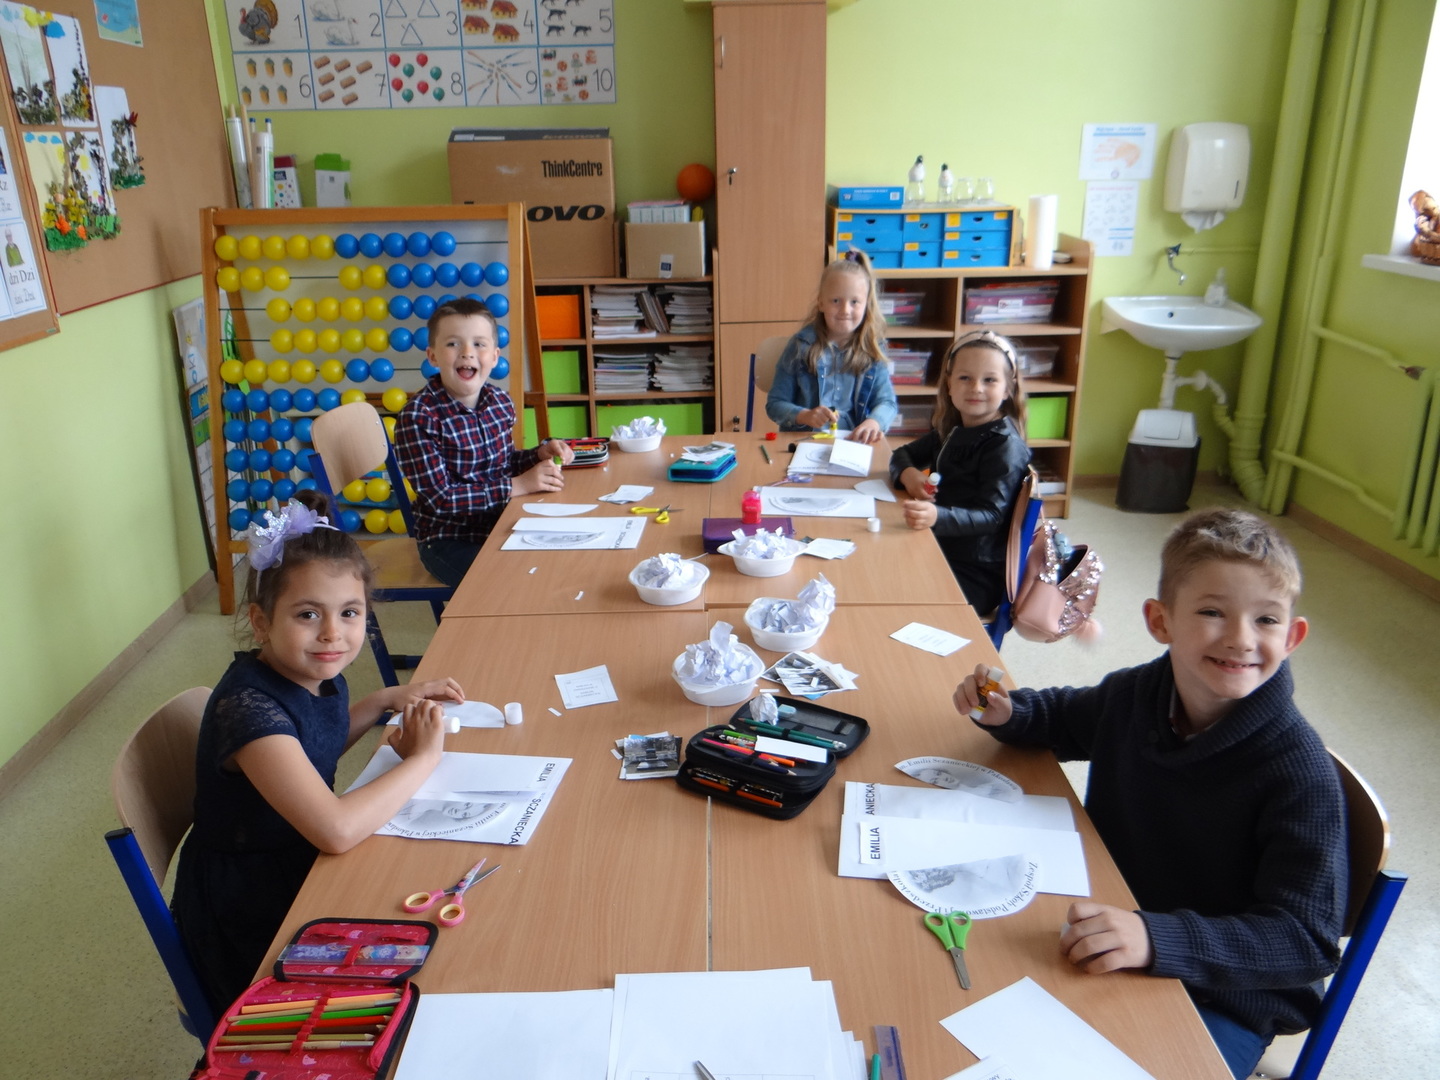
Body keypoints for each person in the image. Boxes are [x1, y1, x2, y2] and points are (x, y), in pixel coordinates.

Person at [953, 508, 1346, 1079]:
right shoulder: (1140, 693)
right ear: (1160, 622)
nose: (1241, 638)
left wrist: (1156, 938)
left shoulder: (1299, 774)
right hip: (1112, 923)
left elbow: (1304, 941)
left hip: (1223, 995)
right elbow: (1069, 717)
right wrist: (1012, 713)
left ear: (1292, 637)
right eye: (1212, 612)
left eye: (1266, 619)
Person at [171, 491, 467, 1014]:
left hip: (296, 855)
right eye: (308, 614)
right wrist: (425, 759)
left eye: (349, 612)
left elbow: (313, 742)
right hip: (255, 906)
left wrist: (383, 700)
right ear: (261, 622)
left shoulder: (309, 674)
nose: (332, 634)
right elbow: (336, 830)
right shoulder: (250, 713)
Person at [394, 297, 574, 587]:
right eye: (453, 343)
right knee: (514, 585)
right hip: (449, 540)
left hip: (501, 522)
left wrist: (539, 455)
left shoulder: (499, 402)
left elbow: (503, 464)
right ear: (433, 356)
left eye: (479, 344)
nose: (467, 352)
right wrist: (519, 485)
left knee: (559, 560)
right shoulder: (418, 417)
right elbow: (441, 498)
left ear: (494, 356)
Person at [889, 329, 1031, 614]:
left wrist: (937, 516)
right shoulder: (952, 429)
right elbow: (901, 454)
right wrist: (909, 474)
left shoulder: (1005, 446)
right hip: (940, 544)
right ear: (949, 384)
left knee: (890, 591)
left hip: (975, 571)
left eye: (989, 380)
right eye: (965, 377)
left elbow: (992, 516)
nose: (976, 387)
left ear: (1008, 389)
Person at [765, 250, 897, 445]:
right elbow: (775, 404)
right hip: (805, 441)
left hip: (853, 443)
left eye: (854, 302)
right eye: (836, 301)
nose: (845, 310)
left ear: (866, 305)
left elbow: (887, 403)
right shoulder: (800, 346)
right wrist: (804, 415)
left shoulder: (872, 350)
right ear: (821, 303)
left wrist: (874, 422)